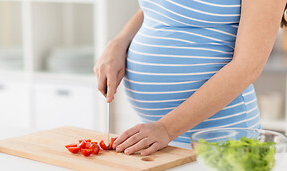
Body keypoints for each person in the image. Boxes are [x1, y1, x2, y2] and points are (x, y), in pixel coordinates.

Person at [94, 0, 287, 156]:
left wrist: (167, 129)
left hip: (219, 140)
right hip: (154, 136)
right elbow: (164, 7)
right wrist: (119, 41)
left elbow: (247, 67)